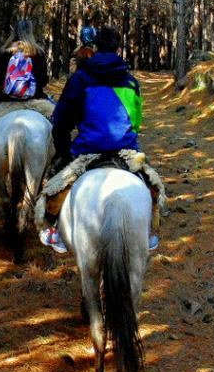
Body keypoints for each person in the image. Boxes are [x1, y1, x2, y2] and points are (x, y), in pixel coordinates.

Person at [37, 25, 166, 254]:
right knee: (150, 184)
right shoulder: (131, 82)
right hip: (124, 150)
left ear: (95, 47)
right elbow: (136, 122)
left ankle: (55, 228)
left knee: (56, 186)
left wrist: (64, 150)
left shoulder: (80, 78)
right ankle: (148, 230)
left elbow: (62, 120)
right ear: (118, 48)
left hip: (88, 150)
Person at [0, 19, 55, 166]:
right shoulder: (37, 52)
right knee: (58, 122)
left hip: (8, 103)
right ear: (30, 32)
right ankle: (57, 159)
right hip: (36, 102)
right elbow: (43, 81)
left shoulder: (5, 53)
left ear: (14, 33)